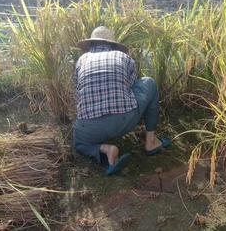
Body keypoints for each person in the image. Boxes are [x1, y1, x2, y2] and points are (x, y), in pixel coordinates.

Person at [73, 26, 171, 176]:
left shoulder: (81, 60)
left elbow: (78, 90)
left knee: (79, 142)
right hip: (124, 120)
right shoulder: (122, 56)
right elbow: (130, 86)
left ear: (91, 44)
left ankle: (106, 150)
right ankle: (151, 142)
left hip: (90, 128)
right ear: (112, 44)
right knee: (149, 82)